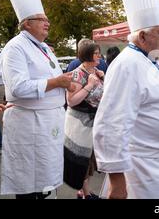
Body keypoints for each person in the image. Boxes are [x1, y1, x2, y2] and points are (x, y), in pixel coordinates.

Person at [93, 0, 159, 199]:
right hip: (140, 167)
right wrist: (117, 183)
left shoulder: (153, 60)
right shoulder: (127, 65)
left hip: (158, 162)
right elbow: (110, 125)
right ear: (142, 36)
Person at [1, 0, 74, 199]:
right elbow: (18, 87)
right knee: (30, 182)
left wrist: (69, 82)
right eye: (41, 19)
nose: (47, 22)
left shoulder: (43, 47)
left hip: (49, 122)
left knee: (47, 179)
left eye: (46, 18)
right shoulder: (15, 47)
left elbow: (53, 78)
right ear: (26, 24)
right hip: (30, 124)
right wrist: (56, 83)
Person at [63, 41, 104, 199]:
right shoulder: (77, 74)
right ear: (87, 55)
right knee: (81, 161)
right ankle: (85, 194)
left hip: (93, 122)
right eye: (96, 53)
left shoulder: (97, 70)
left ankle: (84, 192)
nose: (99, 56)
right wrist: (89, 85)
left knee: (90, 160)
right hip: (79, 123)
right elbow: (71, 101)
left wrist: (103, 77)